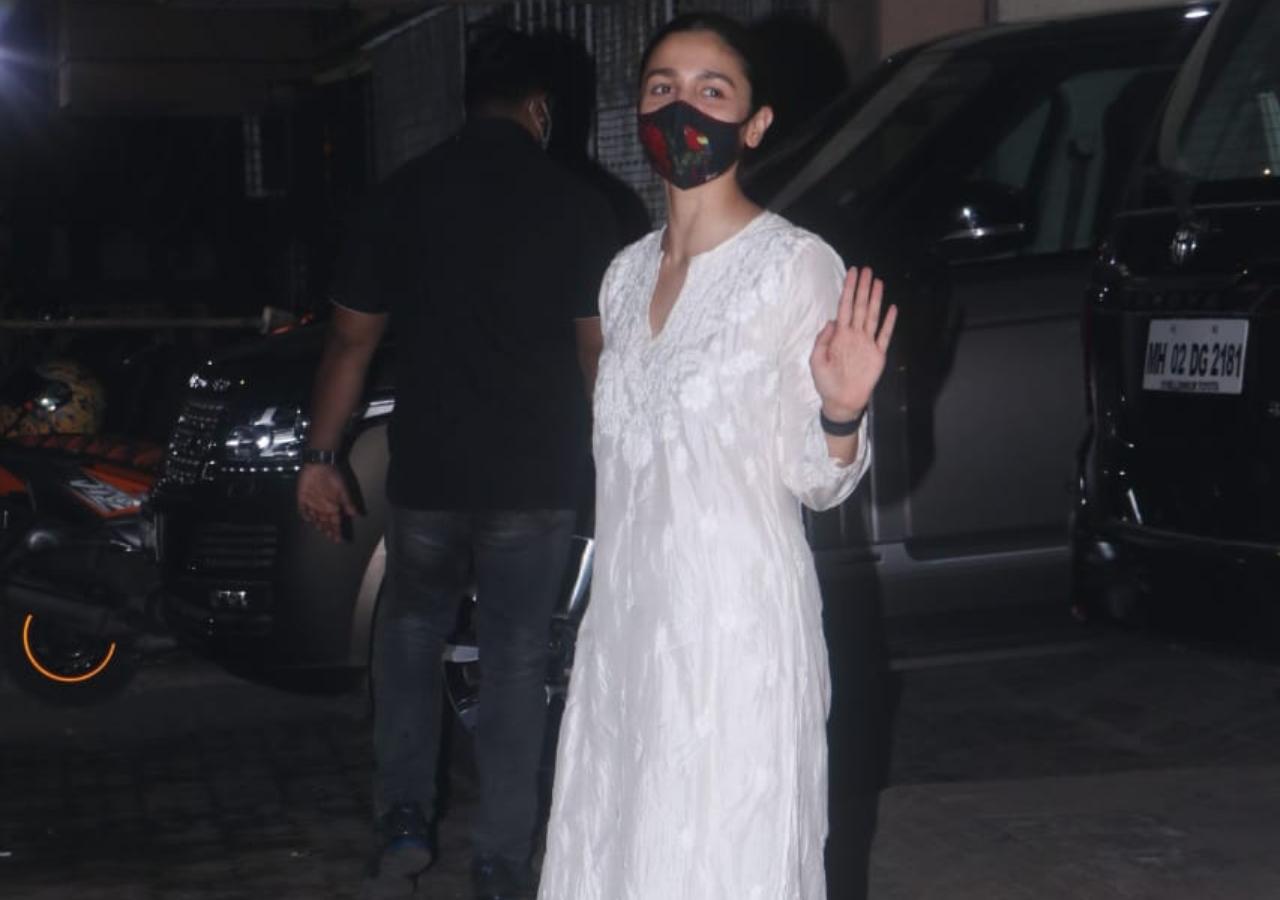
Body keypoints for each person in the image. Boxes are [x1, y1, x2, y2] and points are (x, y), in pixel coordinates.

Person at [537, 13, 896, 900]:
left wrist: (842, 411)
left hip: (735, 632)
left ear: (756, 122)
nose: (683, 106)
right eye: (663, 87)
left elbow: (816, 483)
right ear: (637, 111)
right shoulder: (621, 278)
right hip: (626, 629)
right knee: (621, 852)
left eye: (712, 90)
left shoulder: (794, 266)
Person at [295, 28, 617, 900]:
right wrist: (618, 470)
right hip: (535, 478)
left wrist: (322, 457)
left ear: (465, 102)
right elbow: (599, 361)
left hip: (430, 475)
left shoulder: (399, 197)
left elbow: (348, 346)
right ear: (542, 111)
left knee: (408, 638)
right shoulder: (582, 208)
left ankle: (402, 824)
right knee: (515, 658)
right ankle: (502, 860)